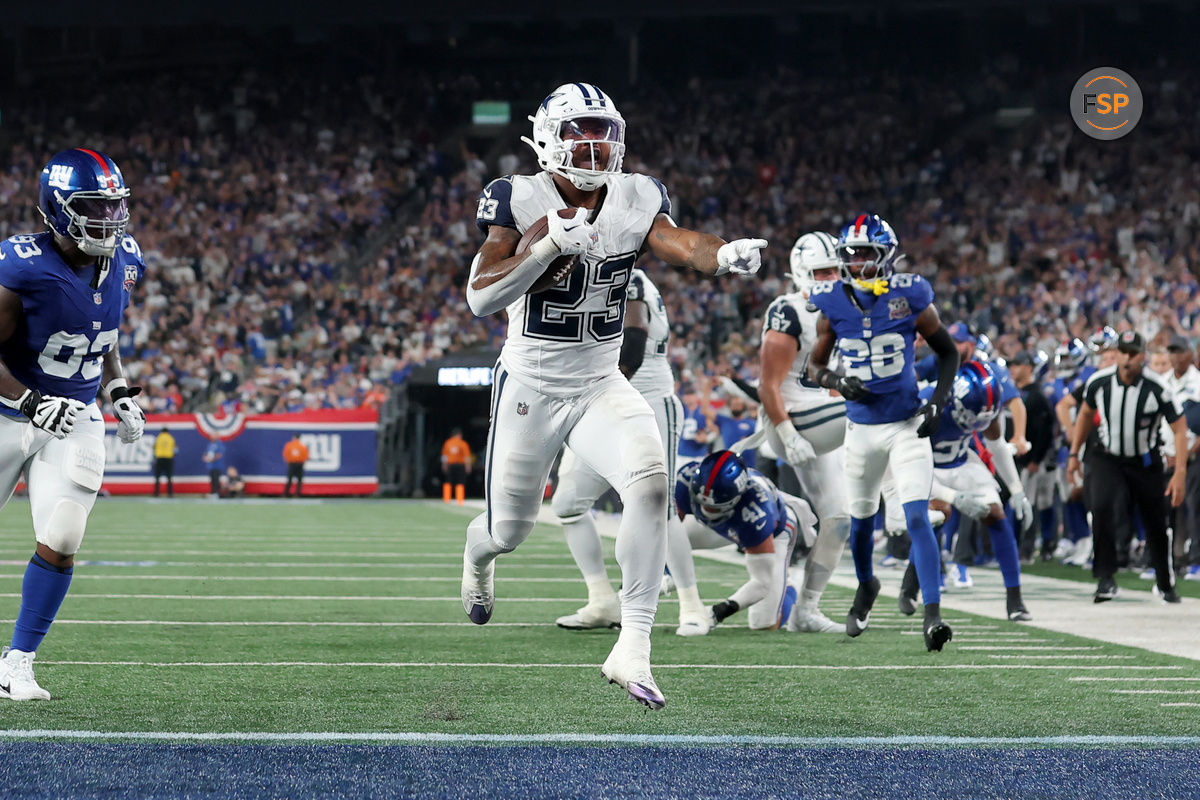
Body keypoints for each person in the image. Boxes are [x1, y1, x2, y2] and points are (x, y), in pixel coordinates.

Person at [463, 81, 766, 709]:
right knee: (509, 528)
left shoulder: (636, 194)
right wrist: (544, 245)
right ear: (549, 139)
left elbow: (680, 243)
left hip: (602, 379)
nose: (596, 145)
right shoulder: (518, 198)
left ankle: (633, 646)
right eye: (581, 132)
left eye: (604, 132)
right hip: (531, 383)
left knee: (650, 484)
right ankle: (479, 553)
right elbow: (481, 296)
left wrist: (724, 253)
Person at [0, 148, 146, 700]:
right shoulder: (20, 266)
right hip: (8, 408)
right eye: (95, 208)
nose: (109, 221)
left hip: (76, 415)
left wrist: (118, 392)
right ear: (58, 209)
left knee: (63, 531)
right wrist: (32, 401)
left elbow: (100, 337)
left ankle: (17, 662)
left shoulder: (127, 261)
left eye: (114, 208)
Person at [807, 213, 960, 652]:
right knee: (860, 523)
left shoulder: (909, 296)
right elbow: (813, 367)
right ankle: (866, 585)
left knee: (915, 517)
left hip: (907, 425)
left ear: (886, 258)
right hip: (861, 429)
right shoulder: (831, 303)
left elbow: (948, 354)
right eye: (851, 256)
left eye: (866, 255)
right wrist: (837, 382)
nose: (857, 264)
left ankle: (932, 616)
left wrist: (937, 402)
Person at [552, 268, 712, 637]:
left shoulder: (624, 274)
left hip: (645, 398)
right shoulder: (589, 274)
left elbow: (634, 338)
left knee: (659, 506)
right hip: (603, 401)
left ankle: (692, 605)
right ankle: (602, 599)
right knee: (567, 503)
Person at [729, 231, 854, 634]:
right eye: (822, 271)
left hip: (818, 411)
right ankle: (906, 501)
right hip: (790, 415)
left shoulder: (840, 308)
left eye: (836, 269)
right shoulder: (787, 310)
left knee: (839, 519)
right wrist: (787, 432)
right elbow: (768, 385)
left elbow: (828, 379)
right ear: (801, 272)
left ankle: (806, 610)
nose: (831, 277)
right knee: (877, 409)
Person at [893, 361, 1033, 621]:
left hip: (962, 462)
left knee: (996, 515)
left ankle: (1015, 599)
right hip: (925, 466)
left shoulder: (983, 408)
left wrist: (1016, 489)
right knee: (937, 515)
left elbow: (997, 445)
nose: (975, 424)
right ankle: (910, 584)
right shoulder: (925, 404)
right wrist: (953, 497)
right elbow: (904, 462)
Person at [1068, 331, 1187, 604]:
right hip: (1107, 457)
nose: (1127, 359)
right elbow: (1085, 414)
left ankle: (1165, 581)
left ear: (1142, 357)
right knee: (1101, 508)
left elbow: (1179, 429)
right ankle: (1106, 578)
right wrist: (1075, 453)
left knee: (1156, 521)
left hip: (1145, 460)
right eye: (1123, 352)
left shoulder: (1157, 387)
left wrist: (1179, 473)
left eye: (1133, 354)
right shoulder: (1099, 382)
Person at [675, 451, 817, 631]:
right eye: (702, 504)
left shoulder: (757, 512)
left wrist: (718, 612)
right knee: (667, 536)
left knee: (765, 623)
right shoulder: (686, 479)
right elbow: (663, 534)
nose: (706, 510)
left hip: (773, 531)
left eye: (714, 506)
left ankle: (794, 579)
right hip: (722, 523)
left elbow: (761, 583)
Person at [1007, 351, 1056, 561]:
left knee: (1030, 504)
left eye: (1017, 364)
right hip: (1014, 460)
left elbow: (1045, 431)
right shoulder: (1014, 393)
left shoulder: (1036, 396)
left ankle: (1028, 548)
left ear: (1029, 367)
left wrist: (1036, 459)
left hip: (1029, 460)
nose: (1013, 368)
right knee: (1016, 504)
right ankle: (1017, 545)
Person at [1161, 335, 1200, 578]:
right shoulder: (1162, 382)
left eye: (1179, 351)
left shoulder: (1199, 382)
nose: (1175, 356)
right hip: (1166, 457)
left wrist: (1186, 454)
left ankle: (1196, 559)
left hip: (1195, 458)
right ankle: (1168, 560)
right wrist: (1167, 454)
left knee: (1195, 508)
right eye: (1171, 352)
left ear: (1190, 354)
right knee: (1165, 509)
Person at [441, 428, 472, 505]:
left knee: (448, 481)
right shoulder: (463, 443)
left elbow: (444, 456)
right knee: (460, 481)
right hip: (460, 465)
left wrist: (444, 465)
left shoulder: (447, 443)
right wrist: (468, 466)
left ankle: (446, 499)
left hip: (450, 465)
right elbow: (466, 457)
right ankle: (459, 499)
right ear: (459, 435)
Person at [153, 426, 177, 498]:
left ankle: (157, 493)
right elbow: (175, 449)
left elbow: (154, 447)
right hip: (168, 458)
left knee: (157, 477)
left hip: (159, 458)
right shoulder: (171, 438)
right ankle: (170, 493)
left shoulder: (158, 438)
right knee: (169, 477)